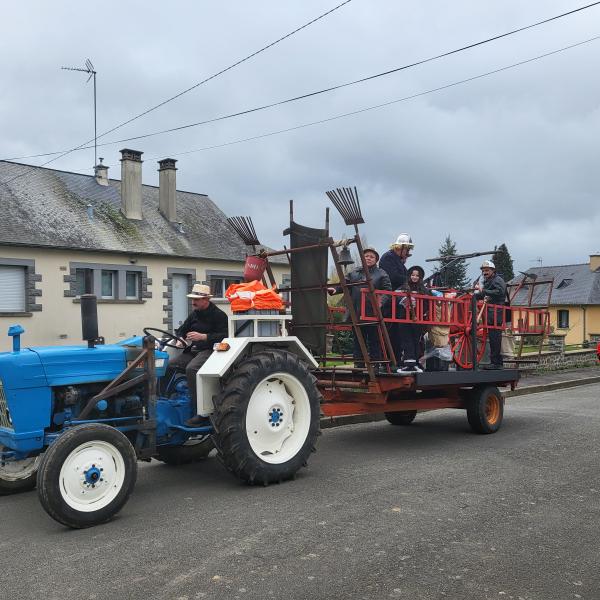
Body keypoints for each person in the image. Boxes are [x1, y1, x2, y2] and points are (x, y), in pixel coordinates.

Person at [168, 283, 228, 426]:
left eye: (196, 299)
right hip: (193, 350)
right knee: (169, 365)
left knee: (192, 369)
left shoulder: (219, 315)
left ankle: (201, 412)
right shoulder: (195, 314)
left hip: (211, 350)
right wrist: (181, 339)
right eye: (192, 299)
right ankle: (168, 400)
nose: (193, 302)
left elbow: (225, 335)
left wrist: (204, 337)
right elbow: (181, 330)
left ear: (206, 299)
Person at [328, 246, 391, 369]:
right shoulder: (354, 272)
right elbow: (344, 284)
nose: (368, 258)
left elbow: (387, 291)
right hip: (356, 312)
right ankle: (359, 364)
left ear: (376, 260)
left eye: (371, 257)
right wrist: (335, 290)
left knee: (374, 340)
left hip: (372, 313)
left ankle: (375, 365)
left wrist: (380, 301)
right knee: (358, 341)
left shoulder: (381, 274)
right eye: (366, 256)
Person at [379, 233, 414, 367]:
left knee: (396, 332)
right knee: (391, 331)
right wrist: (407, 281)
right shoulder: (388, 258)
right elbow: (392, 277)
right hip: (389, 300)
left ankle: (396, 360)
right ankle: (390, 360)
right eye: (407, 250)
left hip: (394, 299)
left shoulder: (396, 260)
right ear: (402, 247)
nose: (408, 253)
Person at [396, 265, 433, 373]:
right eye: (413, 275)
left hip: (418, 319)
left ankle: (415, 363)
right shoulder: (403, 287)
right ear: (409, 276)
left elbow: (428, 301)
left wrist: (419, 305)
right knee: (406, 340)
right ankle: (408, 364)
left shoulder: (424, 290)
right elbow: (395, 296)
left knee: (416, 340)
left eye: (417, 275)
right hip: (404, 318)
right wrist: (403, 299)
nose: (414, 277)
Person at [473, 260, 506, 370]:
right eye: (483, 271)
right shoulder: (488, 280)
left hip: (496, 313)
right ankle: (495, 362)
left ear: (493, 270)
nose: (485, 272)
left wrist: (485, 292)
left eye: (487, 270)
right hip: (490, 313)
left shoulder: (498, 280)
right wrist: (472, 296)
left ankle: (497, 363)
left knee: (495, 338)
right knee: (492, 338)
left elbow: (500, 292)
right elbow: (485, 293)